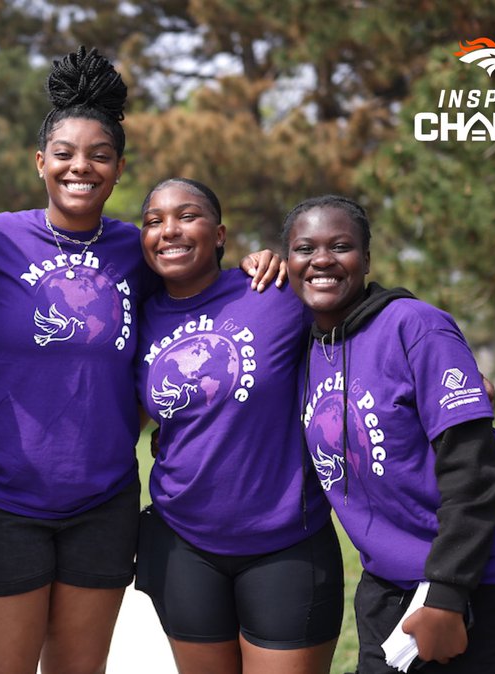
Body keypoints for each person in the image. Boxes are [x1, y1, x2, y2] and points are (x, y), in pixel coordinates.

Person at [0, 48, 284, 674]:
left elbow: (205, 297)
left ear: (120, 168)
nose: (82, 166)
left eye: (99, 155)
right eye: (66, 154)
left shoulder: (142, 248)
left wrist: (266, 263)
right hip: (2, 500)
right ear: (41, 162)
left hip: (101, 502)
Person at [283, 195, 495, 673]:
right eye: (304, 248)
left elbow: (475, 471)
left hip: (485, 578)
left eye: (341, 246)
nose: (322, 260)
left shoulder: (415, 326)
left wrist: (447, 593)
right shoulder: (304, 350)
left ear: (367, 260)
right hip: (389, 584)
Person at [133, 178, 343, 674]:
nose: (169, 231)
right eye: (154, 221)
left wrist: (442, 366)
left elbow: (364, 318)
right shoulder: (139, 316)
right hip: (183, 542)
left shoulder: (275, 291)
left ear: (221, 234)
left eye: (188, 216)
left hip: (285, 540)